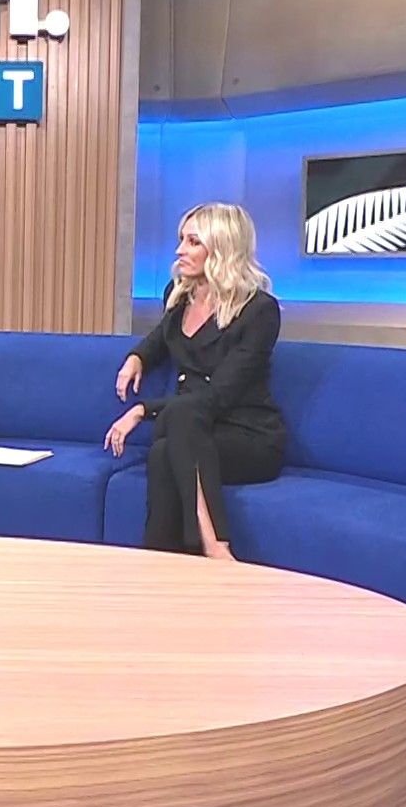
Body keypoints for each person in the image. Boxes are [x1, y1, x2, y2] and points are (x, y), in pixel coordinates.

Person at [104, 202, 286, 559]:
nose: (179, 250)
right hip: (190, 428)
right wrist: (137, 357)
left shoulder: (259, 311)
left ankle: (213, 547)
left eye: (192, 242)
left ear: (221, 248)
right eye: (181, 240)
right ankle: (173, 563)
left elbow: (219, 395)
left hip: (247, 434)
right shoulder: (179, 296)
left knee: (176, 433)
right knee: (163, 451)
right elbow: (161, 338)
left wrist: (143, 409)